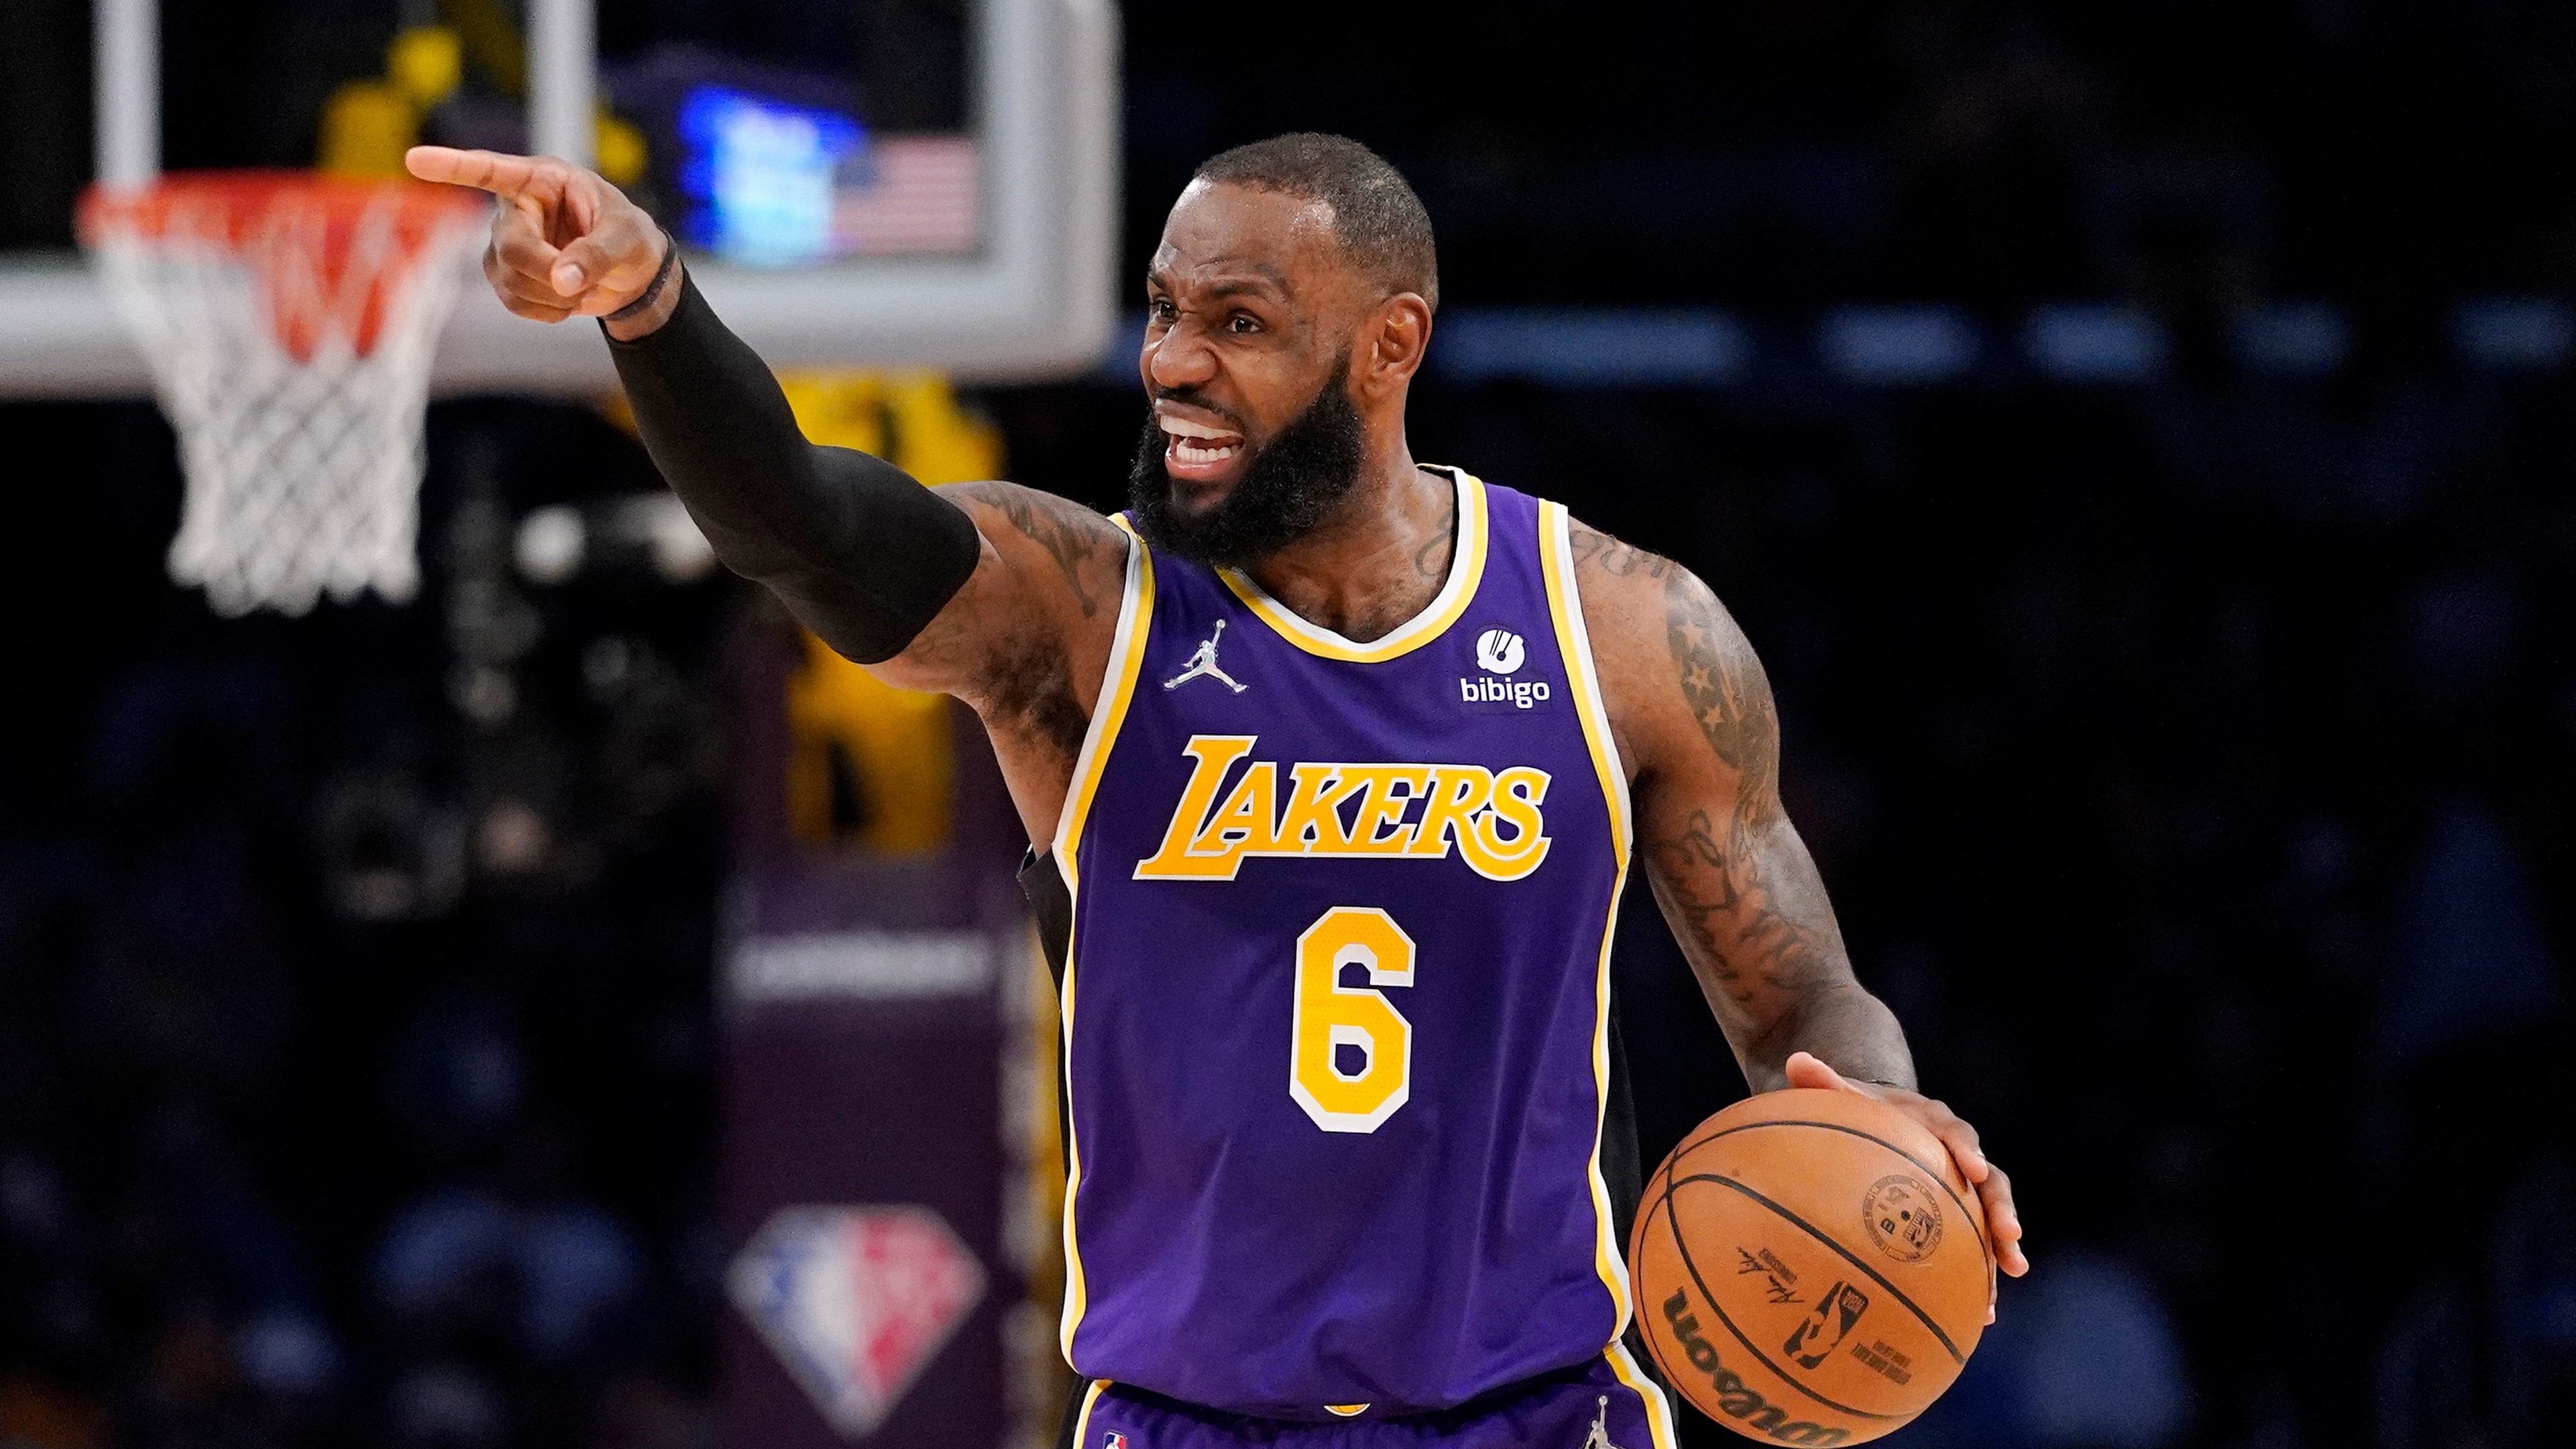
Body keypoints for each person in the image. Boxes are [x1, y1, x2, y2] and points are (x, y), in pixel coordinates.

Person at [406, 131, 2029, 1449]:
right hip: (1188, 1420)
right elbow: (806, 530)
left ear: (1389, 344)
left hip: (1535, 1413)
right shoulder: (1081, 616)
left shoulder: (1622, 632)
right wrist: (653, 307)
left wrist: (1884, 1114)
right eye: (1164, 310)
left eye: (1238, 324)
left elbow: (1797, 993)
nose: (1173, 363)